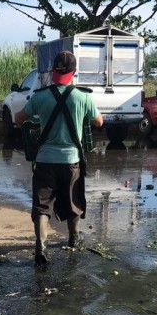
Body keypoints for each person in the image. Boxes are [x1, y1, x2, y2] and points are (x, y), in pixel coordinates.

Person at [14, 51, 103, 267]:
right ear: (74, 73)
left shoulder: (40, 97)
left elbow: (18, 120)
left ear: (54, 72)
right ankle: (73, 239)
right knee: (73, 201)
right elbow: (99, 122)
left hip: (45, 161)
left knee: (42, 205)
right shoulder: (83, 97)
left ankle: (40, 246)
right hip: (72, 160)